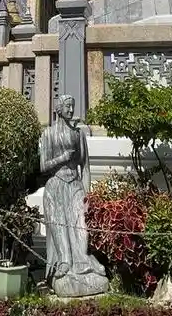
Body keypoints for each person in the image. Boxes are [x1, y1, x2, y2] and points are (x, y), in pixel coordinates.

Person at [39, 95, 108, 297]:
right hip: (55, 185)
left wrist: (87, 194)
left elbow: (85, 166)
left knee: (80, 226)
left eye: (72, 106)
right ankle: (64, 263)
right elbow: (43, 166)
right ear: (59, 109)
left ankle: (82, 262)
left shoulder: (79, 135)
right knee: (59, 226)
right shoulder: (48, 134)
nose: (71, 110)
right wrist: (62, 158)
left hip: (75, 185)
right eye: (67, 106)